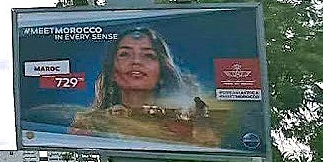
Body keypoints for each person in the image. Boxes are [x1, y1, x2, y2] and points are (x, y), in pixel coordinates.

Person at [69, 27, 218, 146]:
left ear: (162, 70)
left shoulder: (186, 121)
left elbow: (208, 145)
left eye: (148, 55)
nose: (136, 61)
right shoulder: (90, 122)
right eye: (124, 54)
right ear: (112, 71)